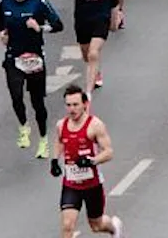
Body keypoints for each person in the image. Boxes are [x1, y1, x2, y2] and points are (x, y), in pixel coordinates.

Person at [0, 0, 61, 160]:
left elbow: (58, 25)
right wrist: (4, 34)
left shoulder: (39, 3)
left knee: (37, 102)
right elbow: (2, 24)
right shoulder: (5, 3)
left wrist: (39, 27)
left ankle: (43, 140)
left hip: (34, 59)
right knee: (16, 95)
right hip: (13, 57)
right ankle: (24, 126)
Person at [55, 88, 119, 238]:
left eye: (76, 105)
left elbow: (109, 152)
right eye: (68, 105)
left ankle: (114, 228)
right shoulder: (61, 125)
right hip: (71, 184)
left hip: (92, 185)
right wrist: (54, 160)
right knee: (67, 225)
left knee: (96, 226)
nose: (72, 109)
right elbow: (60, 141)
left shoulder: (95, 125)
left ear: (85, 104)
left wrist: (92, 161)